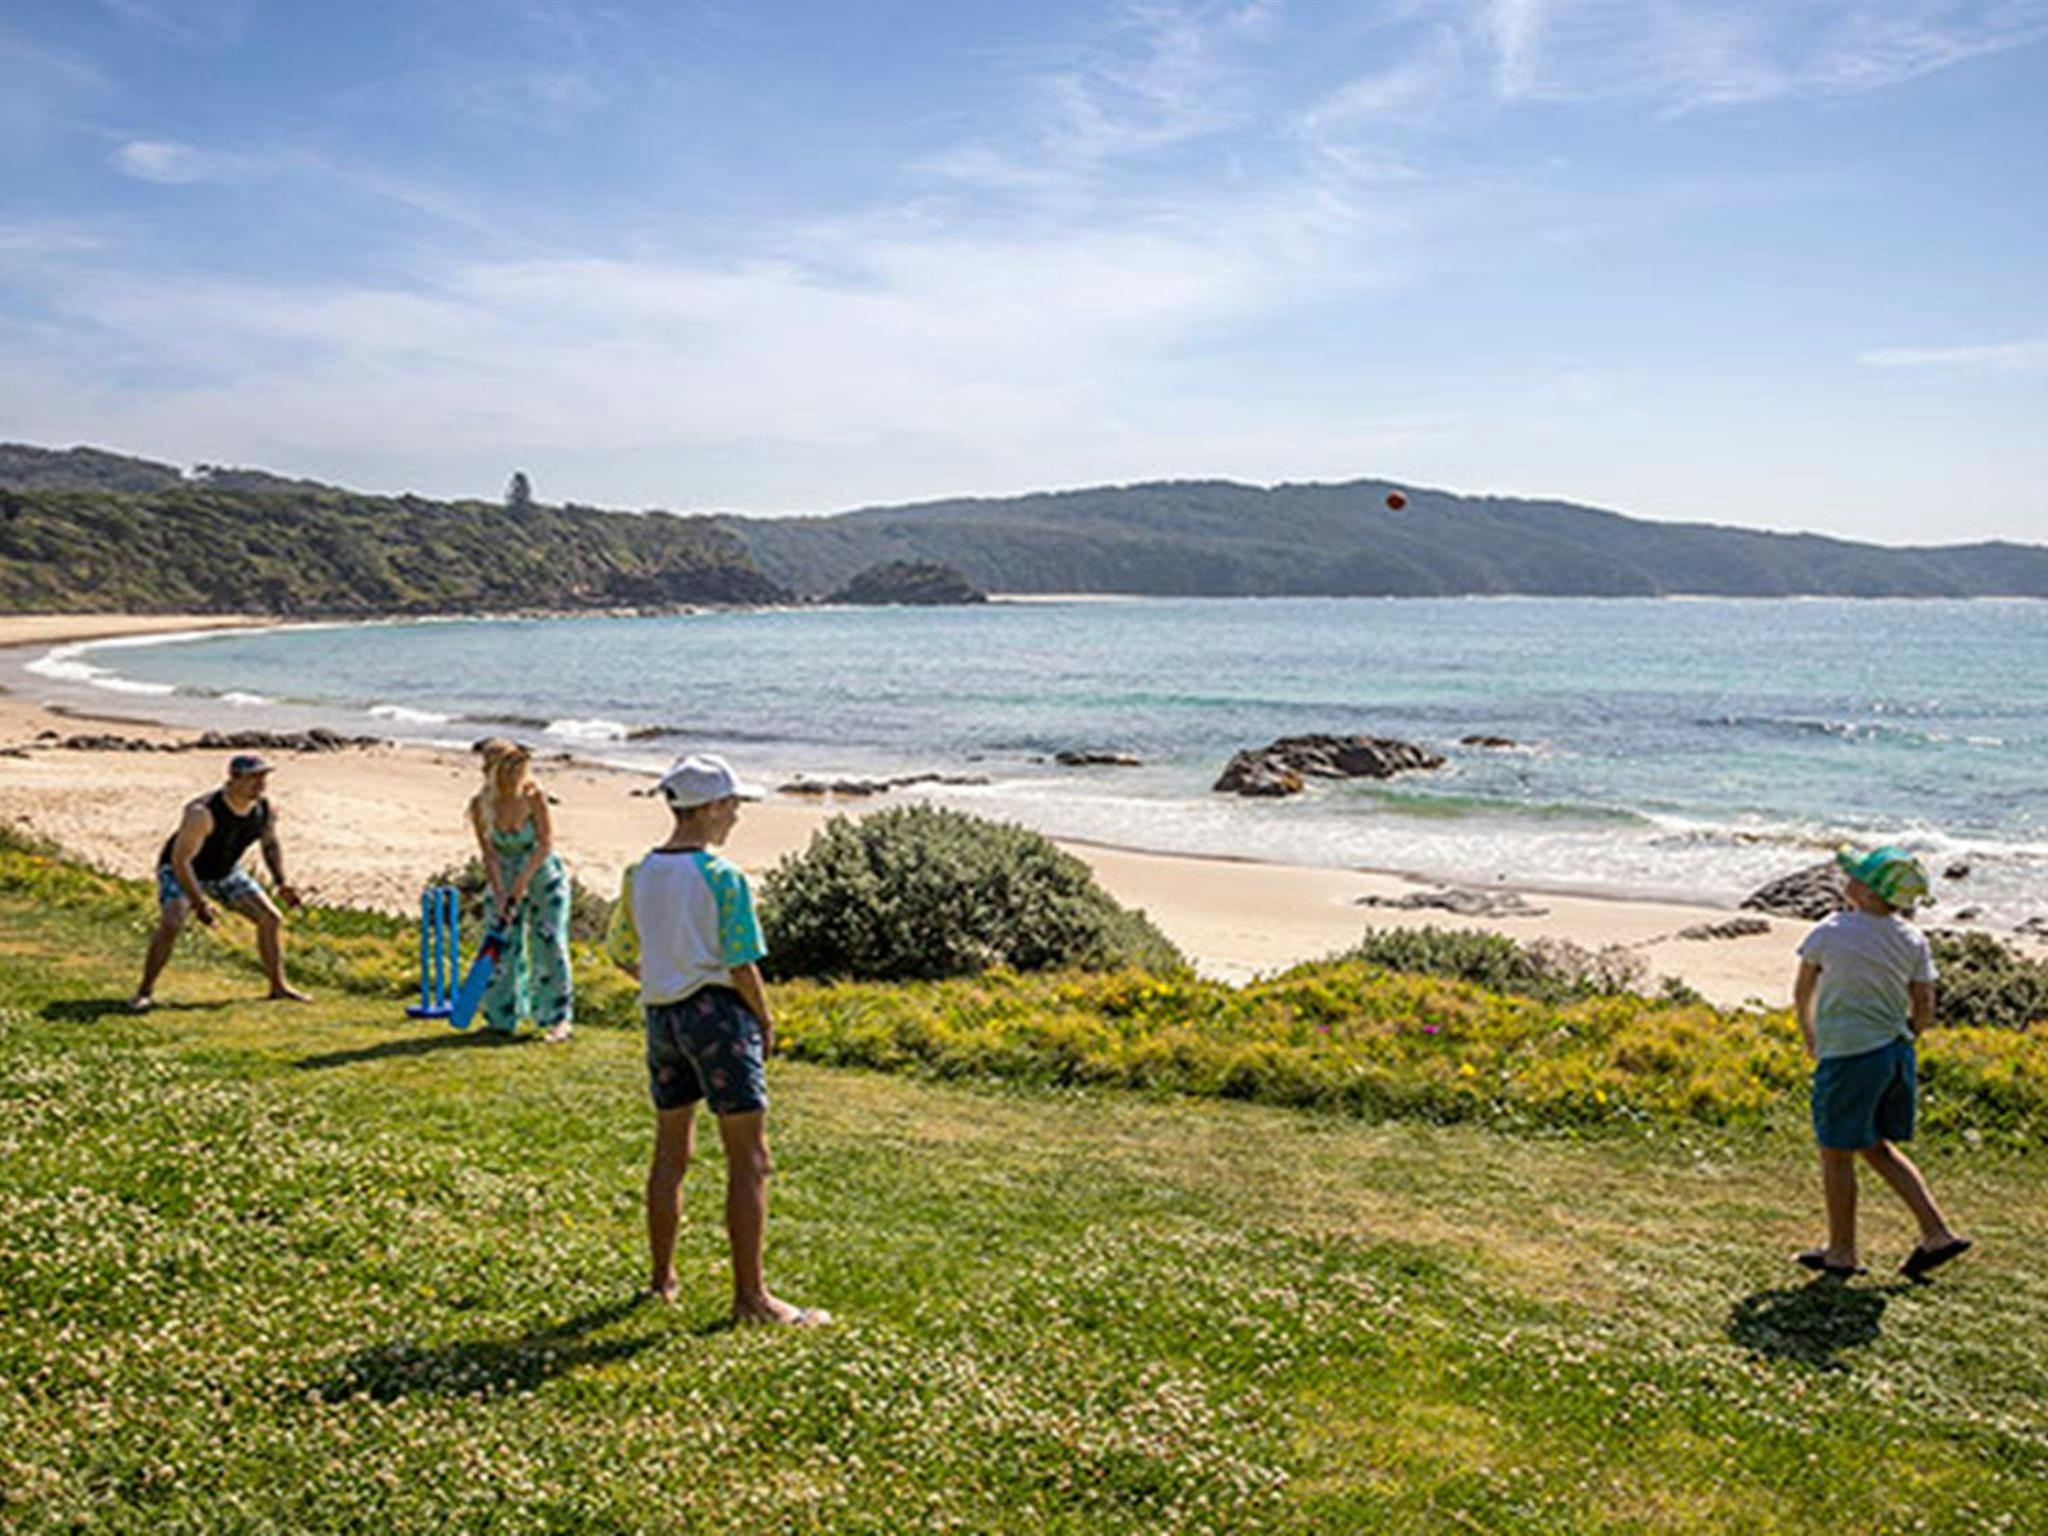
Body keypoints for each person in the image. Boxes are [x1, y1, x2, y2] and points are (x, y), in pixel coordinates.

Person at [604, 752, 827, 1325]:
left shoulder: (639, 874)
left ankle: (662, 1281)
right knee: (749, 1159)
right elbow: (741, 963)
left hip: (663, 1018)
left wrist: (666, 976)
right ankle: (752, 1298)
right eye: (732, 805)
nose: (736, 817)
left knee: (670, 1154)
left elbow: (622, 952)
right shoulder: (723, 878)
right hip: (717, 1018)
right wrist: (767, 1020)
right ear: (709, 808)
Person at [1791, 845, 1971, 1281]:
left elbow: (1802, 992)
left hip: (1848, 1055)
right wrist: (1910, 1034)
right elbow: (1924, 1003)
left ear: (1869, 894)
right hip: (1894, 1053)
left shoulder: (1831, 930)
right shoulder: (1912, 938)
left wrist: (1812, 1037)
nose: (1846, 881)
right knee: (1876, 1147)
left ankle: (1842, 1252)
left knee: (1836, 1154)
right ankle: (1936, 1233)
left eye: (1857, 878)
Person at [131, 753, 309, 1011]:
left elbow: (270, 844)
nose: (260, 784)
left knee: (271, 918)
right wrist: (198, 903)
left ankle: (278, 987)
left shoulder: (265, 809)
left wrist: (281, 882)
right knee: (172, 921)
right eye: (253, 778)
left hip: (225, 871)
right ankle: (144, 991)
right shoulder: (200, 812)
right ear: (233, 778)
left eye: (264, 777)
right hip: (182, 870)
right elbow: (181, 861)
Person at [467, 740, 574, 1041]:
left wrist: (520, 886)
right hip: (503, 876)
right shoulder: (480, 805)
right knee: (504, 946)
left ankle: (557, 1019)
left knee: (550, 942)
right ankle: (502, 1018)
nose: (516, 773)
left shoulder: (533, 796)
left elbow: (544, 844)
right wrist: (501, 894)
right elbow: (488, 853)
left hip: (542, 876)